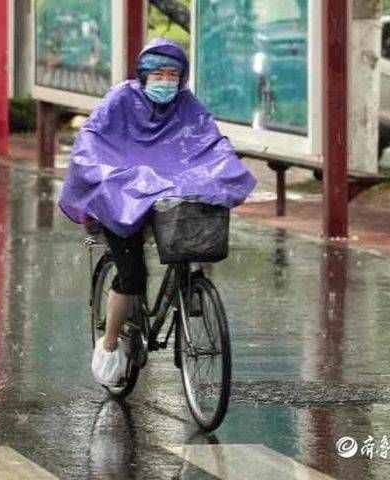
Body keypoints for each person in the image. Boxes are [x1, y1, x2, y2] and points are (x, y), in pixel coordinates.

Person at [58, 38, 256, 353]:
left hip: (166, 199)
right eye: (159, 73)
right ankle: (108, 344)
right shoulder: (121, 98)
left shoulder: (187, 106)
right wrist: (112, 179)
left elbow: (210, 141)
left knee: (191, 243)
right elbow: (91, 140)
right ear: (144, 74)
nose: (166, 81)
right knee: (133, 276)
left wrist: (225, 167)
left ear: (182, 77)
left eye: (173, 75)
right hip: (121, 200)